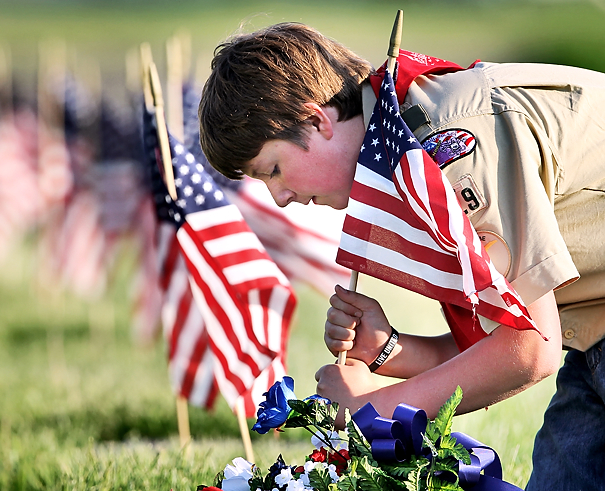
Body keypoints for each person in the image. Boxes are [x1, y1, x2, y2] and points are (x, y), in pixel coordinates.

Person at [198, 22, 605, 490]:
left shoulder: (442, 147)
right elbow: (505, 332)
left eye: (272, 170)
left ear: (316, 120)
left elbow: (531, 349)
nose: (279, 198)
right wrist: (390, 348)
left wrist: (380, 407)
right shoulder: (402, 150)